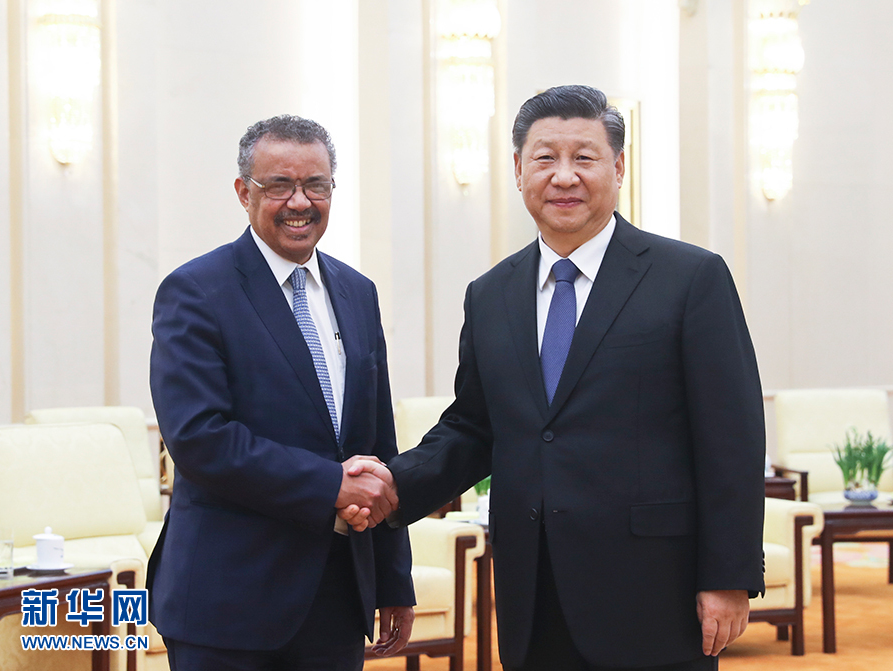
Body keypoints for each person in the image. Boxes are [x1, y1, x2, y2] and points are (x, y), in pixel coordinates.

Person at [346, 85, 765, 671]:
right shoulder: (490, 295)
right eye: (545, 158)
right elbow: (473, 428)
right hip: (534, 590)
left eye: (584, 157)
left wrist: (728, 575)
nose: (564, 176)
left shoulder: (691, 278)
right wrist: (394, 484)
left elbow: (731, 437)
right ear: (519, 169)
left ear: (619, 168)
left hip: (655, 593)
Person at [147, 114, 414, 671]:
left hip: (337, 600)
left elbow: (377, 445)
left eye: (316, 185)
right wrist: (330, 485)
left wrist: (393, 578)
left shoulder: (358, 292)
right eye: (279, 186)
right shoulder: (196, 291)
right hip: (228, 602)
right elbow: (199, 439)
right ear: (244, 192)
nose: (300, 202)